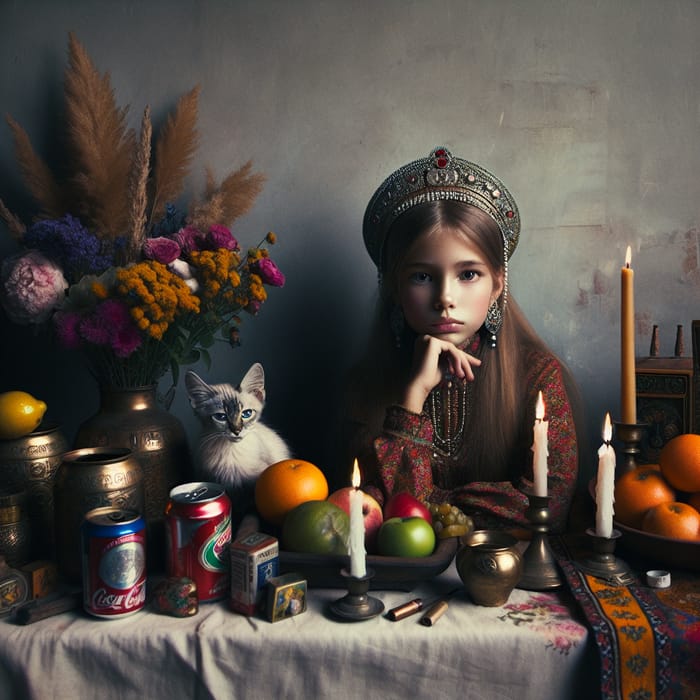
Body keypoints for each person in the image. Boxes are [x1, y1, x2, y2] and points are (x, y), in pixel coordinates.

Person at [340, 147, 580, 533]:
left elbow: (548, 504)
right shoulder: (362, 386)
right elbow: (379, 515)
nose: (445, 299)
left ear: (498, 282)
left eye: (468, 274)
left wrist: (434, 502)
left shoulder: (537, 377)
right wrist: (412, 397)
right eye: (422, 276)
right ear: (394, 289)